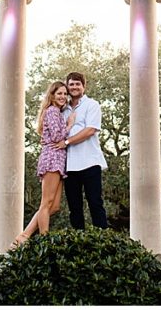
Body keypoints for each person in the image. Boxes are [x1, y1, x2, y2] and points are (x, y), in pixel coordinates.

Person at [12, 81, 76, 247]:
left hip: (59, 161)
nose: (62, 97)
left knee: (54, 206)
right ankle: (44, 241)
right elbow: (56, 137)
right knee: (46, 203)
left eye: (64, 94)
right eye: (59, 93)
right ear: (52, 95)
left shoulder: (56, 112)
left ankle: (25, 235)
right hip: (52, 159)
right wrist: (69, 125)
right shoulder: (53, 112)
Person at [58, 71, 108, 229]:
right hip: (70, 165)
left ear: (83, 86)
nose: (74, 87)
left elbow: (90, 130)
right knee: (74, 207)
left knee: (95, 202)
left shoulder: (92, 105)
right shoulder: (62, 109)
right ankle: (79, 242)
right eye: (71, 84)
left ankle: (102, 240)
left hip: (90, 161)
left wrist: (66, 142)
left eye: (77, 84)